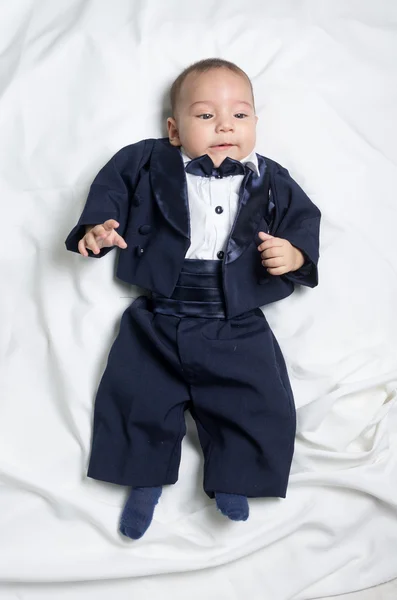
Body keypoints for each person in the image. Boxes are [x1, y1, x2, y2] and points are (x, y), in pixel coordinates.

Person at [65, 58, 321, 540]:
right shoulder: (145, 160)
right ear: (175, 129)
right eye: (206, 115)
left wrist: (295, 252)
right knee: (136, 393)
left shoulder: (271, 178)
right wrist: (97, 227)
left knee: (256, 398)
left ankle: (234, 477)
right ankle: (144, 479)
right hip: (160, 309)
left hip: (236, 314)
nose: (225, 124)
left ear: (255, 124)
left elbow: (303, 219)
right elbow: (111, 189)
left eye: (240, 115)